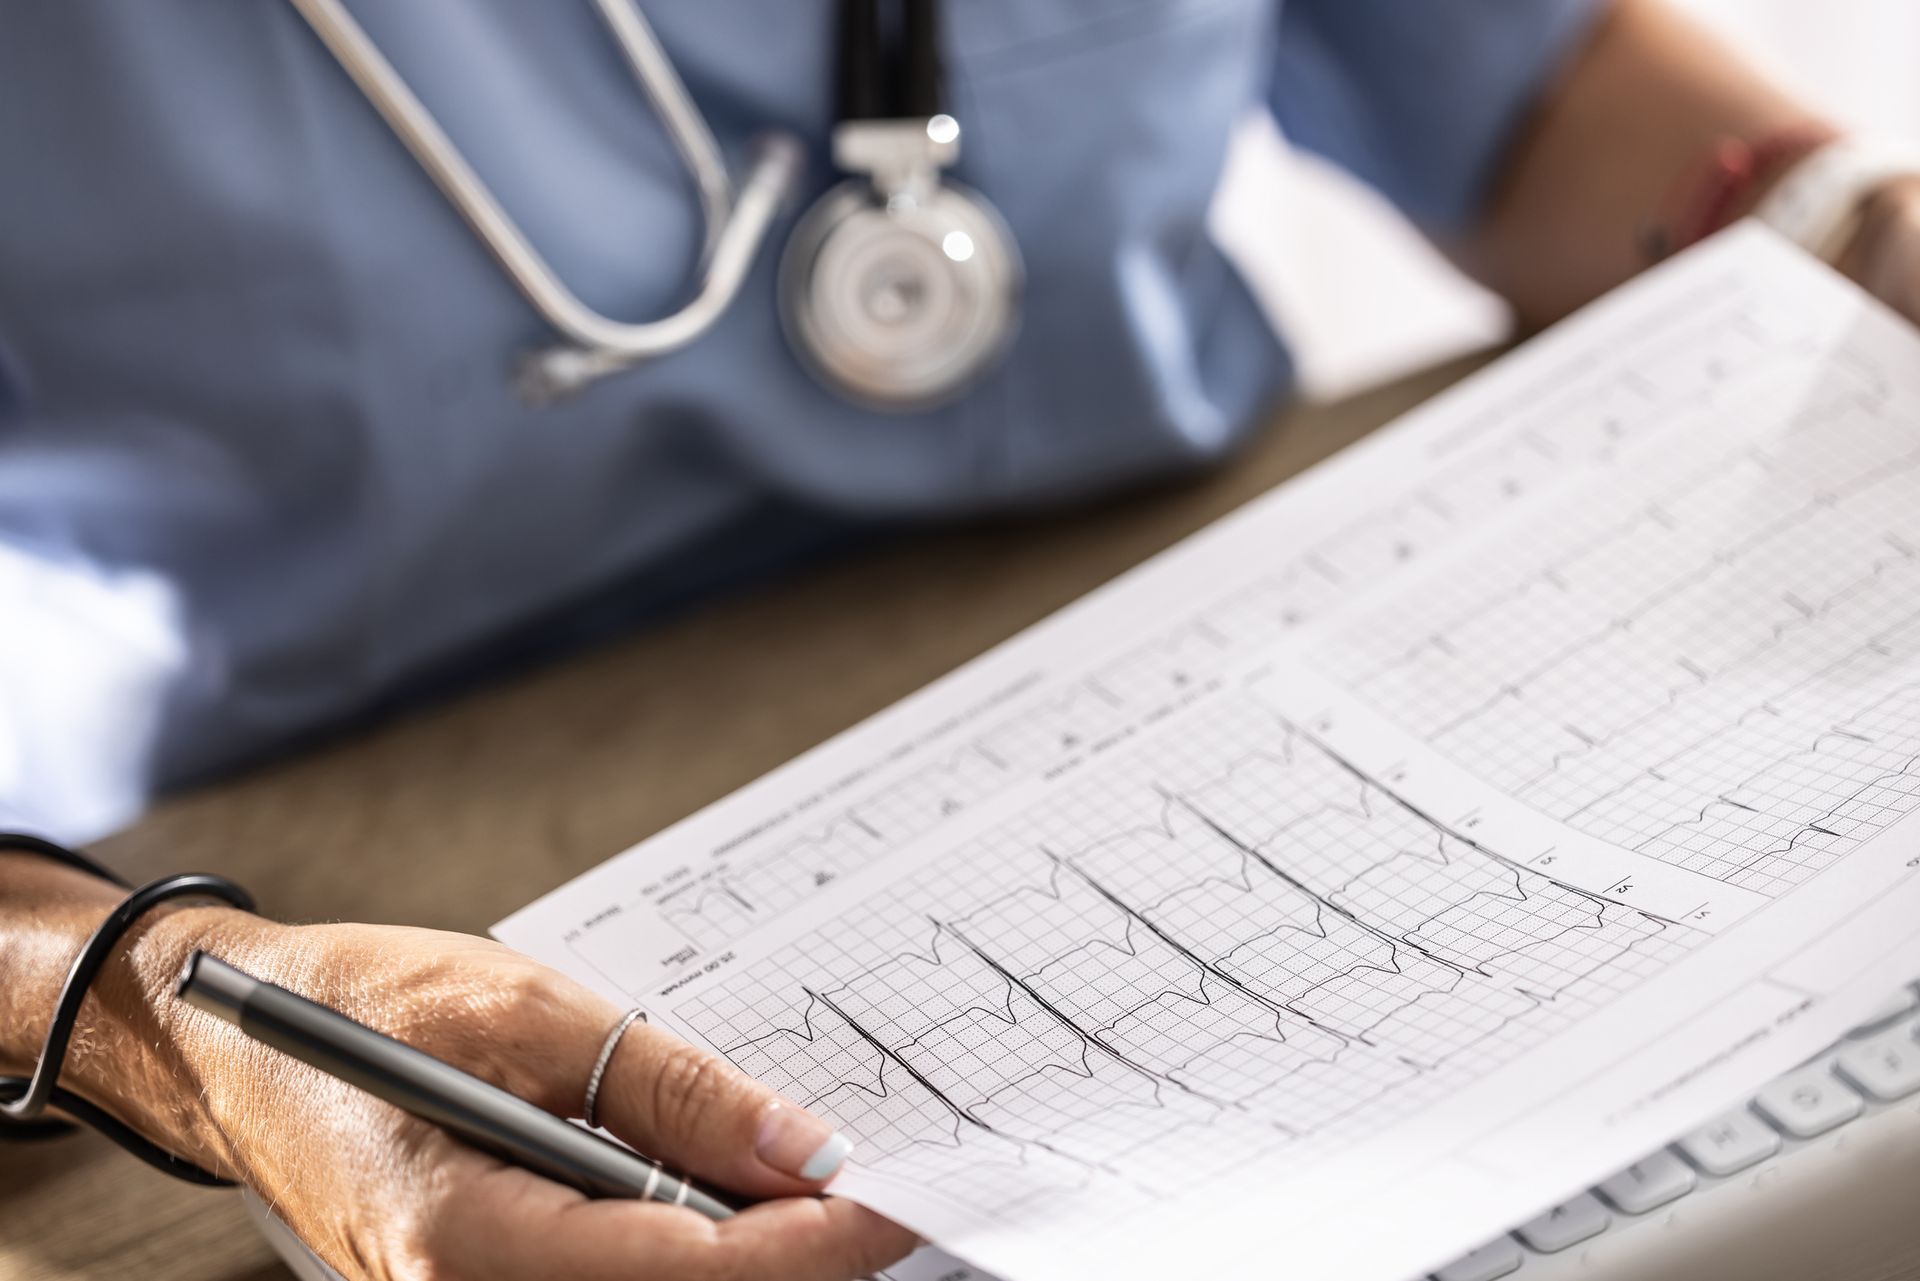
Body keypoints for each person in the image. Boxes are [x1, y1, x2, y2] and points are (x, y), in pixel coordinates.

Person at [3, 2, 1918, 1278]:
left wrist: (1851, 228)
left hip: (1244, 625)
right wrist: (150, 1010)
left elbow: (1515, 85)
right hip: (330, 916)